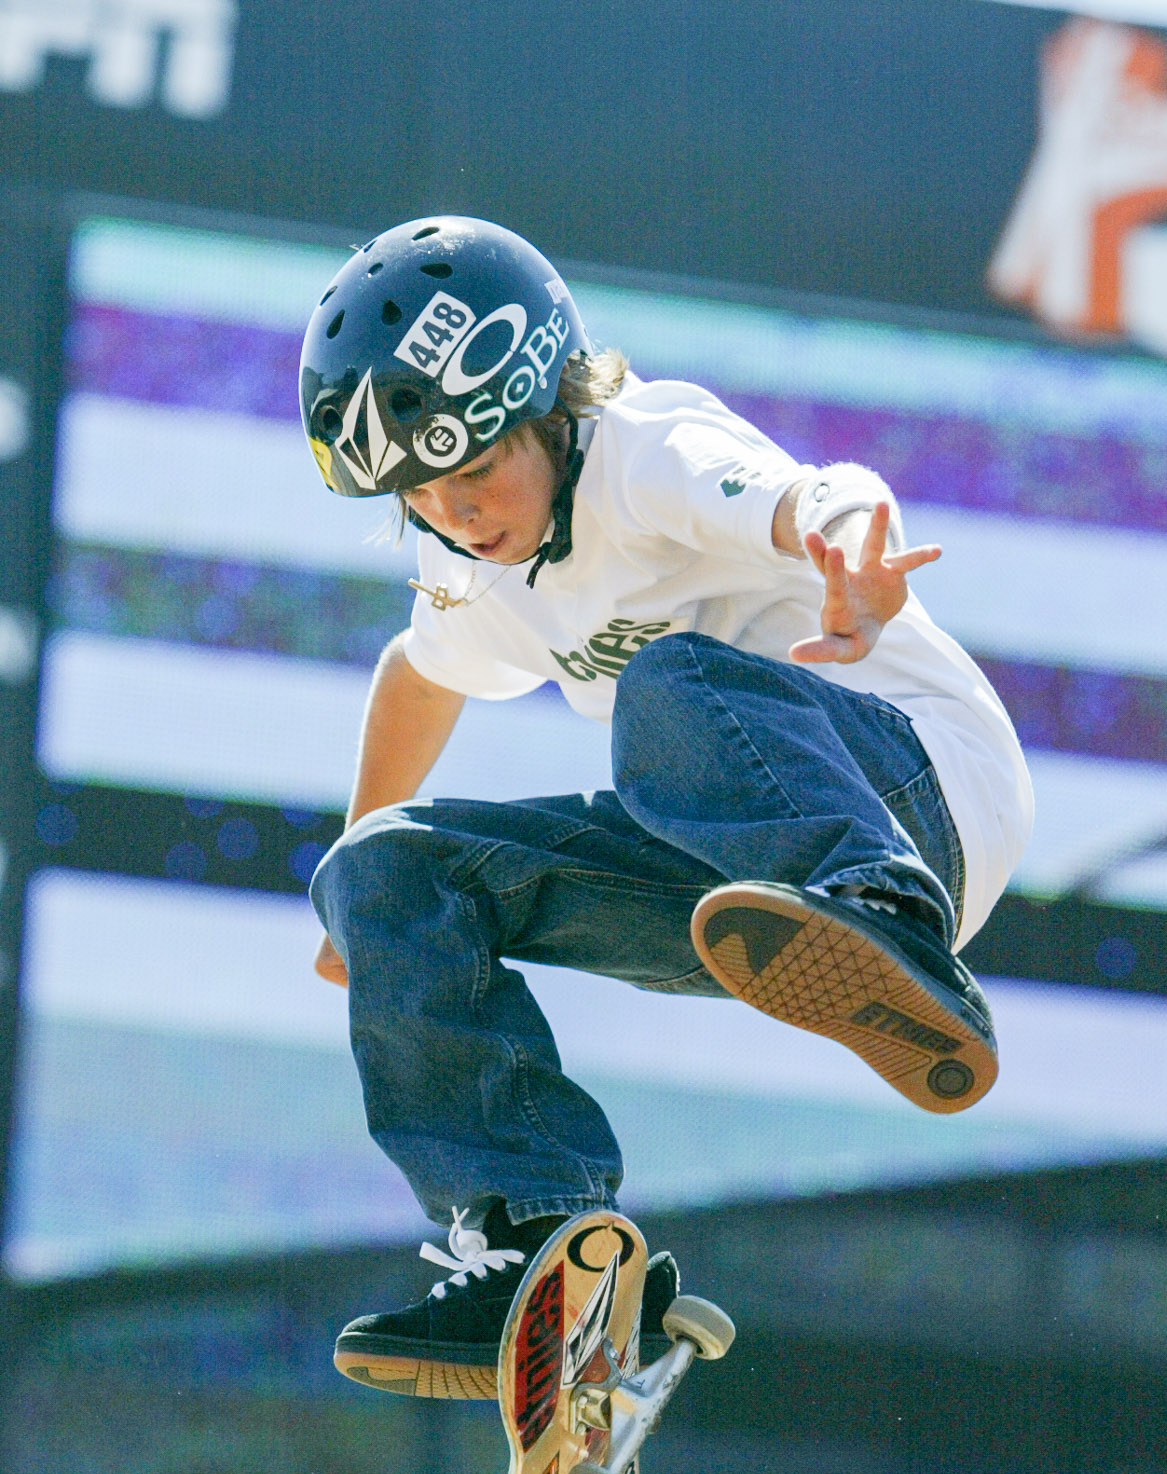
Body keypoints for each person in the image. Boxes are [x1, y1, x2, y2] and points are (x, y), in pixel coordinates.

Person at [301, 217, 1033, 1398]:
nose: (461, 515)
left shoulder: (643, 449)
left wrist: (852, 545)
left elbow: (808, 496)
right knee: (386, 869)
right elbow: (418, 672)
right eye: (423, 496)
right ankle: (536, 1242)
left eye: (479, 471)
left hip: (913, 798)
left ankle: (880, 918)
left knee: (670, 679)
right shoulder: (481, 570)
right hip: (728, 879)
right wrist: (357, 902)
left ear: (545, 411)